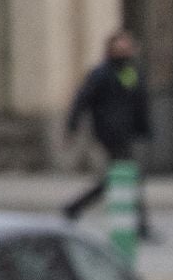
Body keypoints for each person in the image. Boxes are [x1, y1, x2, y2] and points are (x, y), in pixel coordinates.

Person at [59, 29, 156, 239]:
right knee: (128, 176)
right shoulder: (101, 73)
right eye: (120, 48)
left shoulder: (131, 72)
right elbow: (82, 99)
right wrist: (72, 124)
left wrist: (144, 128)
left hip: (125, 132)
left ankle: (74, 207)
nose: (125, 51)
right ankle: (140, 225)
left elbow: (139, 102)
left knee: (119, 177)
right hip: (108, 132)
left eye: (127, 47)